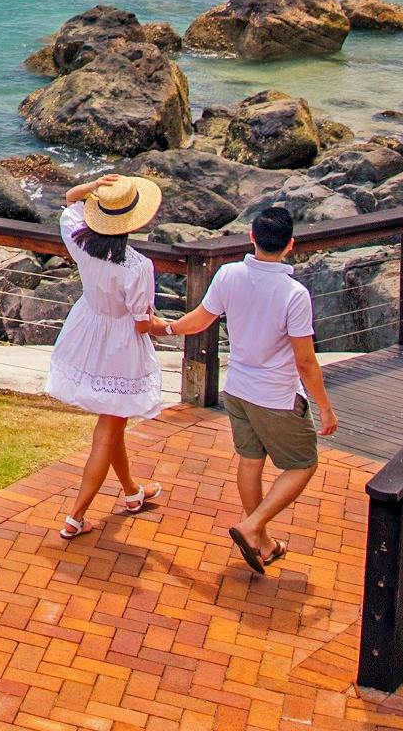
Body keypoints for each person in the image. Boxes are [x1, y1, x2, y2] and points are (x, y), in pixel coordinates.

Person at [151, 200, 337, 574]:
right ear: (290, 245)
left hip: (237, 389)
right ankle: (252, 526)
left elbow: (200, 320)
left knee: (250, 461)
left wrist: (165, 327)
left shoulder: (228, 275)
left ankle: (261, 541)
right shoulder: (294, 294)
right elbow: (305, 360)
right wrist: (325, 407)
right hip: (277, 396)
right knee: (303, 464)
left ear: (251, 237)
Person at [46, 171, 168, 539]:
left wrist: (91, 187)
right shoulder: (137, 267)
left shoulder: (79, 240)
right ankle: (76, 515)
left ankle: (132, 492)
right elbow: (142, 322)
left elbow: (69, 201)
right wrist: (170, 326)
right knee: (108, 429)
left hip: (87, 330)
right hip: (119, 347)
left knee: (114, 424)